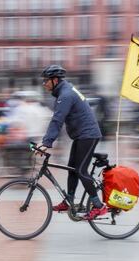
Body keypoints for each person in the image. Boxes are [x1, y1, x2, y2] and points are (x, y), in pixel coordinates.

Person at [36, 65, 106, 220]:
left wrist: (46, 142)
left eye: (45, 80)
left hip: (88, 135)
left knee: (81, 171)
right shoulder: (65, 91)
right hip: (82, 135)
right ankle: (69, 201)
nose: (44, 83)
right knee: (72, 169)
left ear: (55, 80)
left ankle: (98, 206)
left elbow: (57, 120)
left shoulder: (65, 95)